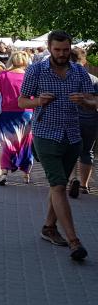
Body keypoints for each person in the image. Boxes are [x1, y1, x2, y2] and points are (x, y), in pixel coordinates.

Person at [18, 31, 98, 262]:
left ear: (69, 48)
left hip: (73, 136)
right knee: (59, 185)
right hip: (45, 134)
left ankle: (49, 227)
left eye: (65, 50)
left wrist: (85, 101)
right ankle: (74, 241)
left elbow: (94, 101)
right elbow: (22, 101)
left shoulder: (79, 71)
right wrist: (38, 101)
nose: (61, 54)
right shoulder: (36, 70)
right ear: (49, 47)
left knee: (58, 186)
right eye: (57, 50)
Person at [0, 51, 32, 186]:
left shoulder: (3, 75)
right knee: (26, 143)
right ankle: (26, 174)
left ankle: (4, 173)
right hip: (27, 113)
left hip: (7, 113)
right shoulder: (29, 76)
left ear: (12, 60)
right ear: (26, 61)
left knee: (7, 143)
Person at [68, 47, 98, 198]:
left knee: (70, 150)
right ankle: (84, 185)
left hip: (69, 119)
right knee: (87, 152)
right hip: (90, 120)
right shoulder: (93, 79)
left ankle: (72, 178)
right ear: (84, 61)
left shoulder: (64, 77)